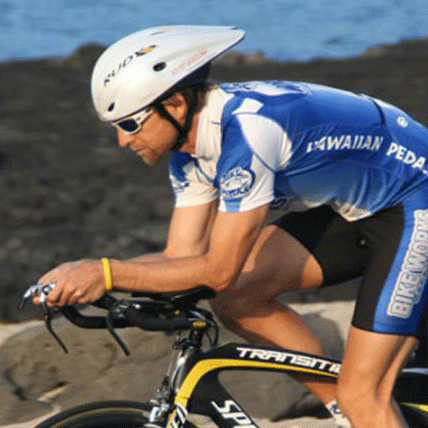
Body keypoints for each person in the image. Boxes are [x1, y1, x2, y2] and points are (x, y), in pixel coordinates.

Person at [35, 25, 428, 427]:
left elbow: (219, 270)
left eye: (131, 124)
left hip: (416, 198)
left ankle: (362, 409)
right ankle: (346, 414)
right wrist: (86, 279)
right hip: (359, 205)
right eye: (115, 127)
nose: (122, 141)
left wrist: (105, 272)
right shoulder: (189, 152)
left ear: (174, 103)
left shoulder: (249, 135)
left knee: (364, 393)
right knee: (239, 298)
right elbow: (181, 257)